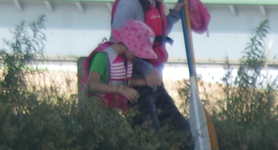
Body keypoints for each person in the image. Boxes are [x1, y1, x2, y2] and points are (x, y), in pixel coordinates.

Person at [106, 0, 204, 131]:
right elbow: (116, 49)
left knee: (181, 132)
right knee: (150, 134)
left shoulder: (154, 4)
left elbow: (156, 35)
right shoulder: (130, 5)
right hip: (134, 86)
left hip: (153, 83)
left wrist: (175, 15)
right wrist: (146, 70)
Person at [81, 20, 151, 111]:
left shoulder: (125, 58)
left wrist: (146, 82)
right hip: (97, 112)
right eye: (137, 53)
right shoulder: (102, 57)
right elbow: (92, 84)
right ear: (128, 46)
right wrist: (122, 90)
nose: (138, 57)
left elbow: (120, 81)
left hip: (114, 111)